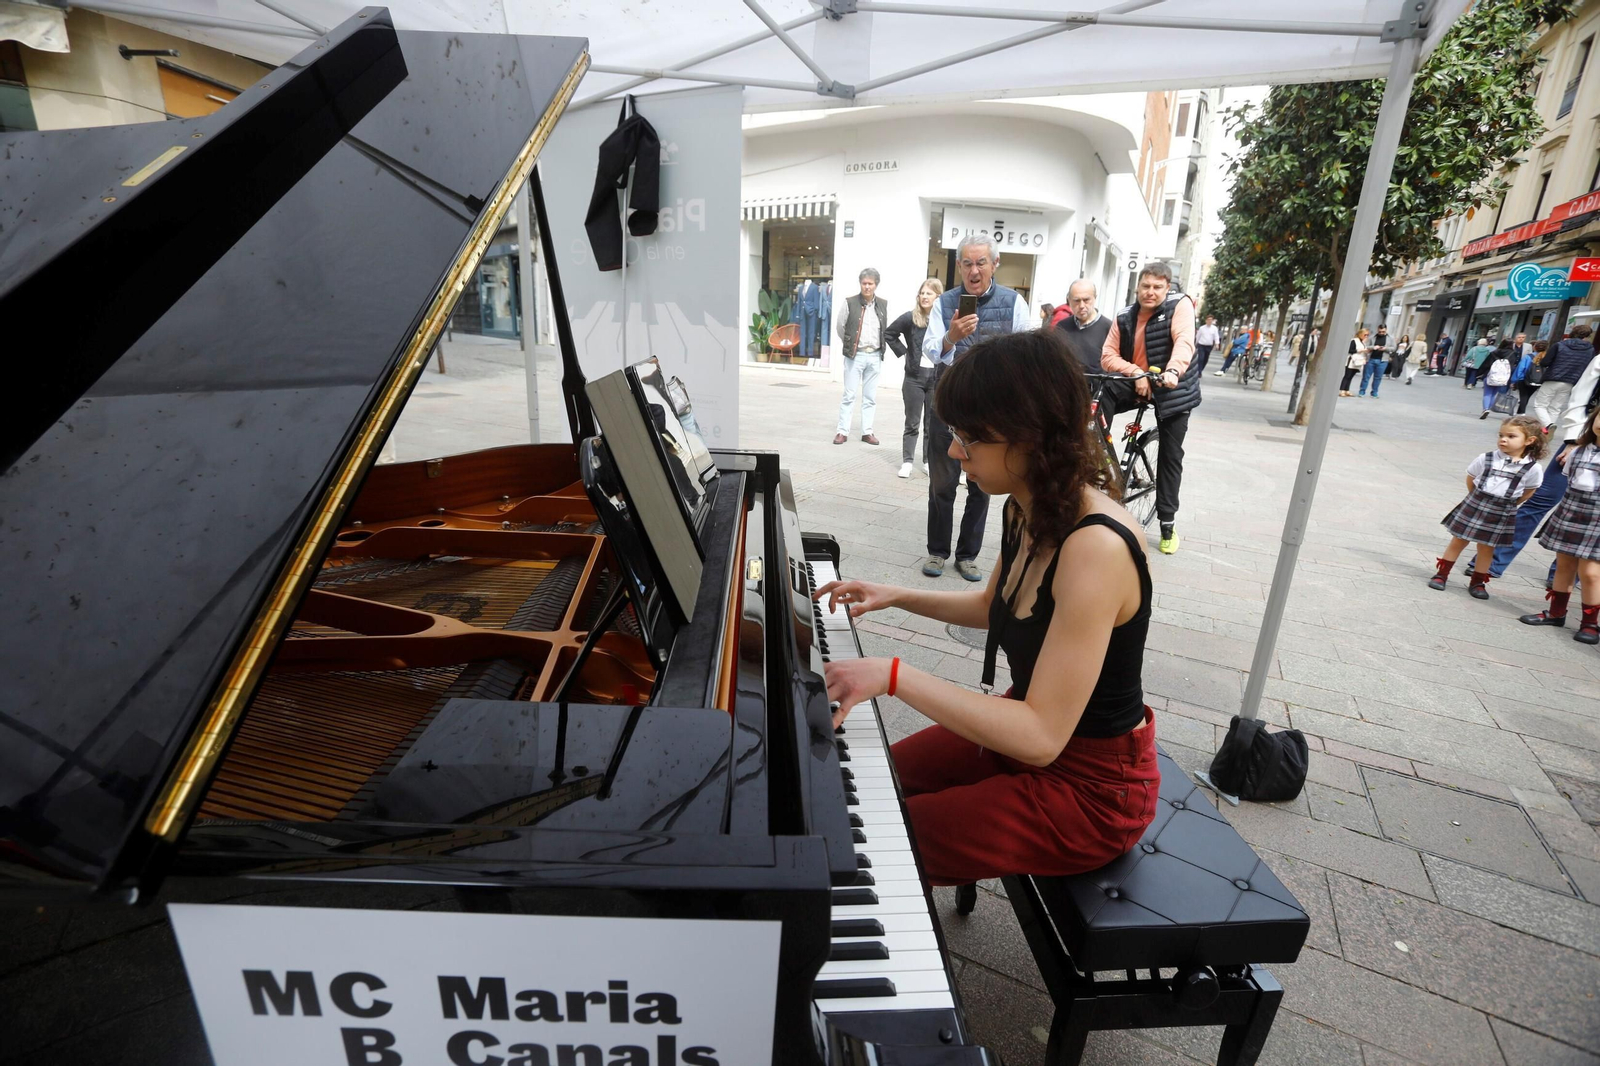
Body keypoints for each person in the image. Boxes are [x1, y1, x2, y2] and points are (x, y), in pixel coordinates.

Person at [813, 329, 1158, 886]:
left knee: (875, 837)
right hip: (1029, 735)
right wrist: (894, 595)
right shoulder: (1029, 504)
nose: (955, 451)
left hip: (1092, 791)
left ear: (1029, 438)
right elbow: (993, 606)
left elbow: (1042, 736)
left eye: (970, 438)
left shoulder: (1096, 547)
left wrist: (894, 675)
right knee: (866, 779)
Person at [921, 236, 1032, 581]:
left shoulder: (1014, 303)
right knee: (942, 484)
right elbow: (929, 351)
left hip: (990, 413)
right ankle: (937, 552)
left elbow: (1026, 355)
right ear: (959, 267)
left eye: (981, 262)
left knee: (981, 485)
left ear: (994, 264)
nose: (974, 270)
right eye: (967, 263)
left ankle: (967, 555)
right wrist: (950, 337)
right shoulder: (946, 303)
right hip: (949, 407)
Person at [1099, 261, 1200, 555]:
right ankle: (1103, 462)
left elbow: (1184, 341)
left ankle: (1167, 523)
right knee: (1099, 393)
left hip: (1172, 386)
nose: (1150, 292)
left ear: (1167, 289)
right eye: (1146, 286)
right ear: (1137, 287)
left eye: (1157, 287)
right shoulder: (1125, 317)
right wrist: (1136, 372)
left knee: (1170, 455)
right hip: (1140, 379)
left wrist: (1172, 372)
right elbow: (1107, 356)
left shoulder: (1179, 307)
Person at [1427, 414, 1545, 600]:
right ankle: (1442, 574)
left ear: (1529, 441)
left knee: (1487, 548)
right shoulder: (1487, 458)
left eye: (1511, 436)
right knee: (1458, 540)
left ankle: (1478, 582)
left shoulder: (1533, 468)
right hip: (1476, 503)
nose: (1503, 439)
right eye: (1501, 435)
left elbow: (1530, 490)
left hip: (1502, 510)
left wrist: (1512, 503)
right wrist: (1475, 497)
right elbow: (1471, 477)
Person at [1519, 407, 1600, 642]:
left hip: (1597, 518)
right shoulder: (1577, 452)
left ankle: (1589, 624)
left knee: (1591, 573)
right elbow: (1570, 481)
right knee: (1564, 564)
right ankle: (1556, 613)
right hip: (1572, 511)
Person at [886, 277, 945, 478]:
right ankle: (907, 462)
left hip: (935, 379)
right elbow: (889, 334)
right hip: (914, 378)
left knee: (932, 424)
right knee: (912, 422)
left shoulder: (943, 320)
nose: (924, 296)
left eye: (929, 293)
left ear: (938, 296)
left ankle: (928, 461)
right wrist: (904, 352)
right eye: (922, 293)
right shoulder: (910, 318)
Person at [833, 268, 889, 446]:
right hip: (855, 355)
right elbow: (841, 327)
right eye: (864, 283)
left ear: (876, 285)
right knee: (849, 395)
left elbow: (884, 327)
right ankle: (842, 431)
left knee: (870, 397)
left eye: (870, 283)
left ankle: (867, 431)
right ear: (860, 284)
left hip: (874, 355)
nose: (867, 286)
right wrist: (851, 345)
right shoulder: (850, 302)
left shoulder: (882, 304)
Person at [1535, 323, 1596, 428]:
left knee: (1540, 405)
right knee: (1555, 407)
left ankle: (1548, 425)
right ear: (1587, 335)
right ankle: (1547, 430)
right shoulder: (1590, 349)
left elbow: (1545, 362)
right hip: (1571, 381)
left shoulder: (1559, 345)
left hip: (1553, 378)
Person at [1054, 278, 1112, 376]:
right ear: (1069, 300)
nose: (1081, 305)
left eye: (1086, 300)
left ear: (1095, 298)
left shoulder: (1109, 328)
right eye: (1076, 301)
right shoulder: (1061, 327)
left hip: (1096, 388)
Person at [1479, 340, 1515, 419]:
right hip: (1502, 377)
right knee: (1493, 394)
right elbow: (1512, 367)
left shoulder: (1494, 353)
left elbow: (1486, 364)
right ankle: (1489, 407)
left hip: (1490, 375)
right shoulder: (1512, 354)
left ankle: (1486, 409)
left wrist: (1479, 373)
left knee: (1487, 393)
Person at [1513, 339, 1544, 413]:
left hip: (1524, 379)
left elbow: (1521, 368)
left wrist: (1515, 379)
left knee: (1523, 396)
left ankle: (1522, 413)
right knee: (1527, 396)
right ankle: (1519, 412)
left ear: (1535, 347)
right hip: (1538, 380)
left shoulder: (1529, 356)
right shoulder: (1546, 357)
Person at [1359, 325, 1389, 397]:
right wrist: (1373, 347)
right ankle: (1362, 391)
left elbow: (1394, 348)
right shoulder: (1373, 337)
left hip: (1383, 360)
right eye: (1380, 331)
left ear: (1386, 330)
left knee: (1378, 377)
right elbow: (1366, 346)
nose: (1381, 333)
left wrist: (1385, 348)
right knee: (1366, 376)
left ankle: (1374, 392)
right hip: (1371, 359)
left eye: (1383, 331)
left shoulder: (1390, 338)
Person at [1340, 329, 1369, 396]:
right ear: (1361, 334)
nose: (1366, 336)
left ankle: (1347, 389)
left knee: (1351, 376)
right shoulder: (1354, 341)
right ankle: (1342, 390)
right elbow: (1349, 350)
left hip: (1358, 361)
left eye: (1367, 335)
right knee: (1347, 375)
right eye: (1365, 335)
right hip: (1352, 360)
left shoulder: (1363, 342)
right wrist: (1359, 350)